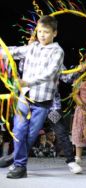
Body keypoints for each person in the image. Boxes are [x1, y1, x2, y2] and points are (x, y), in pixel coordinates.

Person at [0, 15, 64, 179]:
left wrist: (27, 82)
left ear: (54, 33)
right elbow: (11, 51)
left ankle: (15, 159)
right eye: (40, 31)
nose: (42, 35)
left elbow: (49, 74)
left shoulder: (57, 52)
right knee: (18, 131)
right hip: (25, 98)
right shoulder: (32, 47)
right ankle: (20, 166)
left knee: (30, 136)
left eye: (46, 32)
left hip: (43, 102)